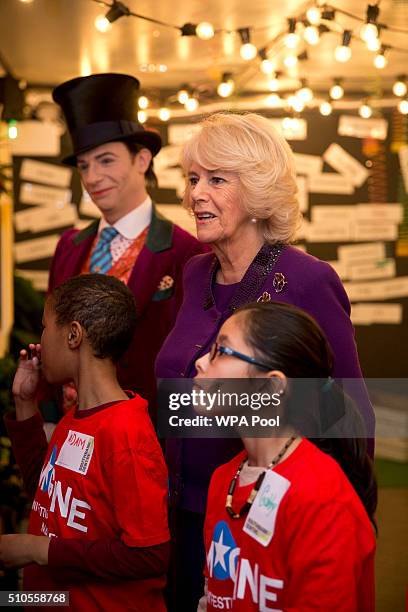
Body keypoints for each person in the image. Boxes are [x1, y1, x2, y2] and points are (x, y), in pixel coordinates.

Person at [155, 111, 375, 609]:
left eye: (216, 179)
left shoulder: (306, 279)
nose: (195, 195)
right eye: (192, 179)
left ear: (255, 191)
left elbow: (350, 416)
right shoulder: (193, 274)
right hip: (189, 512)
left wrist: (339, 526)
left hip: (272, 522)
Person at [2, 274, 170, 610]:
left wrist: (36, 548)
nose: (41, 340)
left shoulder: (126, 434)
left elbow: (148, 555)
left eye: (45, 327)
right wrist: (24, 403)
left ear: (74, 335)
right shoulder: (77, 416)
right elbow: (47, 494)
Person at [196, 301, 377, 612]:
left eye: (220, 352)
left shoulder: (322, 498)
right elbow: (214, 598)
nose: (200, 362)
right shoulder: (223, 480)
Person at [50, 73, 206, 413]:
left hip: (148, 434)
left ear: (142, 160)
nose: (92, 178)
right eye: (83, 165)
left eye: (106, 160)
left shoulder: (187, 252)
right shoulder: (69, 247)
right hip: (70, 431)